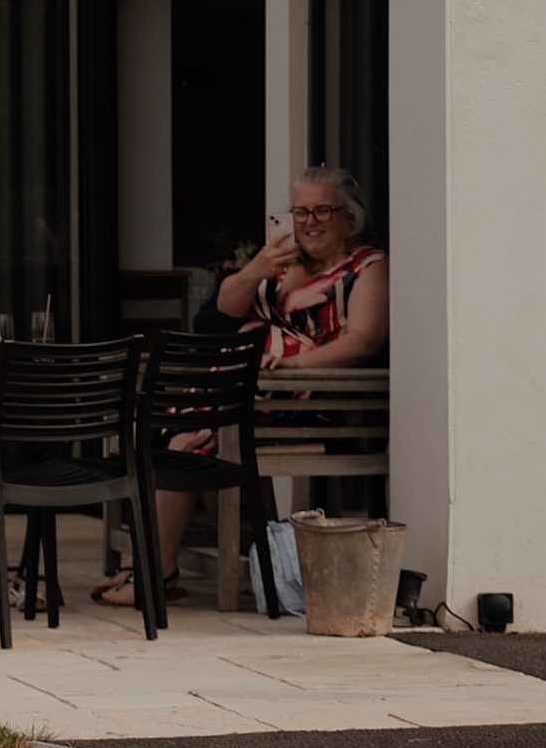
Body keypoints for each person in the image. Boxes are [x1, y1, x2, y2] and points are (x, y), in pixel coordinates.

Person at [92, 165, 392, 609]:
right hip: (253, 389)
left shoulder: (367, 267)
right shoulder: (288, 264)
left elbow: (363, 342)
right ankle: (149, 563)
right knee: (154, 426)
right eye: (301, 211)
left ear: (349, 217)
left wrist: (290, 363)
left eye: (323, 210)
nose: (310, 221)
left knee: (187, 434)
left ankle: (157, 571)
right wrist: (257, 269)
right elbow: (224, 309)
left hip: (308, 396)